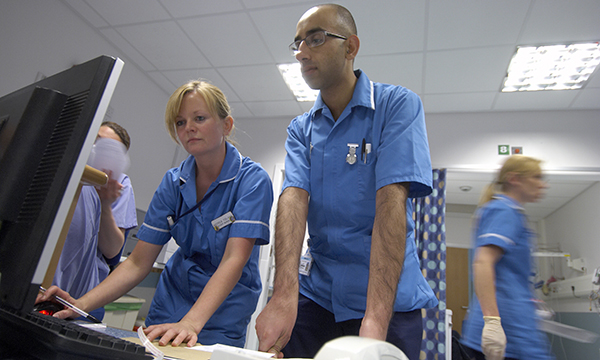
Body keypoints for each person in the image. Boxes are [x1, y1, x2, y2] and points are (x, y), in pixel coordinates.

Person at [255, 4, 437, 359]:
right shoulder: (301, 129)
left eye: (316, 38)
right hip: (319, 294)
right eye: (297, 43)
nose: (302, 52)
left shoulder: (396, 106)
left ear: (350, 47)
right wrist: (283, 295)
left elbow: (390, 202)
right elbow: (293, 200)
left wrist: (374, 321)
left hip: (387, 302)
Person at [39, 80, 274, 348]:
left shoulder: (252, 181)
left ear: (226, 125)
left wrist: (190, 322)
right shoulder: (173, 182)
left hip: (223, 312)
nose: (189, 128)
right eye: (180, 122)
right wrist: (80, 305)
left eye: (199, 118)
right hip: (170, 303)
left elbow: (234, 259)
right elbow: (138, 262)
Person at [460, 155, 553, 360]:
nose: (542, 184)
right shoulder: (503, 210)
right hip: (508, 332)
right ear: (514, 179)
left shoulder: (511, 213)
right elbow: (483, 262)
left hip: (517, 329)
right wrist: (492, 322)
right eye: (537, 177)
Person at [52, 121, 137, 321]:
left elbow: (112, 252)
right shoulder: (66, 166)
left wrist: (105, 205)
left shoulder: (119, 184)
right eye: (96, 141)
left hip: (82, 294)